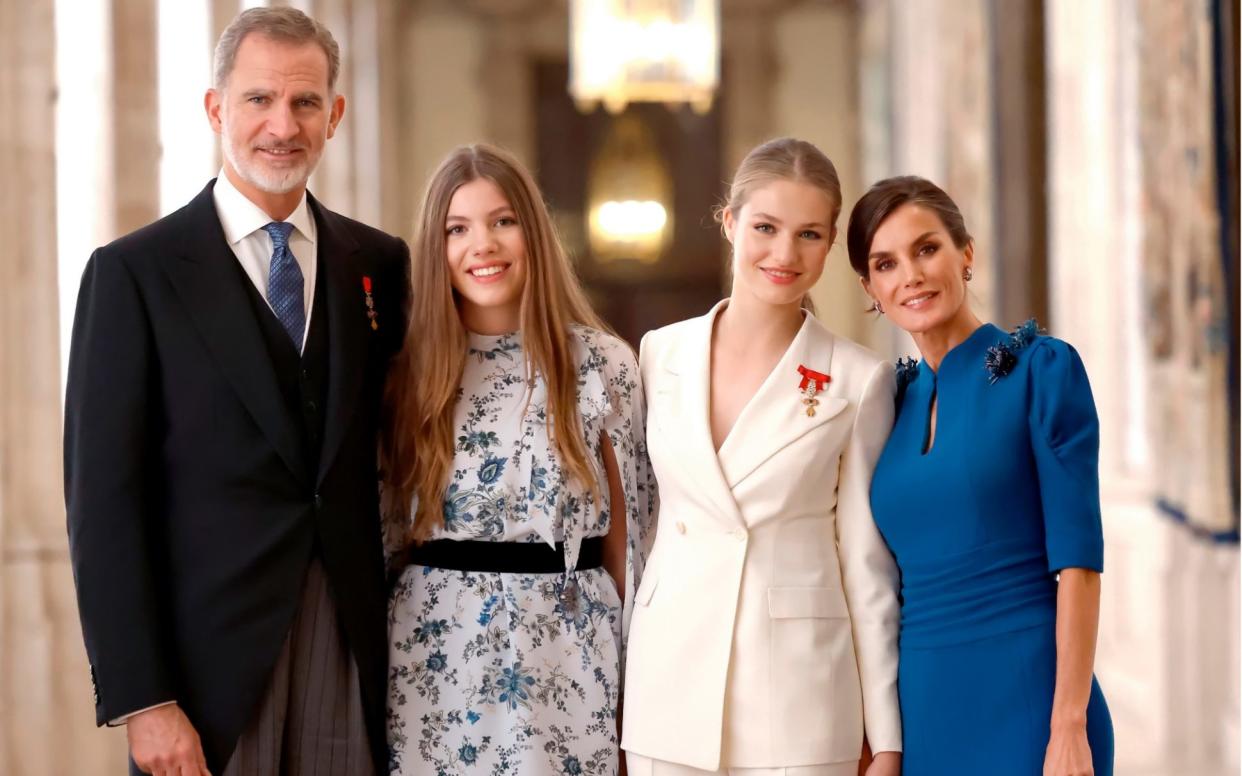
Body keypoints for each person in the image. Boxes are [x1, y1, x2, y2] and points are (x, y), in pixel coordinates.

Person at [64, 7, 409, 775]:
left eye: (305, 102)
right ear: (217, 108)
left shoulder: (380, 264)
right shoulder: (133, 276)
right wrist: (143, 701)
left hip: (348, 650)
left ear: (335, 115)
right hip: (203, 674)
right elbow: (103, 506)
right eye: (258, 99)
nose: (281, 124)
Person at [621, 137, 902, 776]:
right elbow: (638, 527)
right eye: (766, 228)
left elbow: (866, 566)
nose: (783, 253)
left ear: (831, 243)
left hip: (795, 693)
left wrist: (885, 737)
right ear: (730, 223)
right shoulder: (659, 354)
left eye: (808, 234)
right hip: (668, 687)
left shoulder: (857, 380)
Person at [381, 143, 654, 776]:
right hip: (435, 660)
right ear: (436, 247)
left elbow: (629, 548)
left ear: (532, 233)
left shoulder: (602, 365)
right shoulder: (405, 378)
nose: (483, 244)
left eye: (502, 221)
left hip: (569, 654)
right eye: (458, 228)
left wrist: (635, 705)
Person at [847, 175, 1114, 776]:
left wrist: (1067, 724)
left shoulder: (1041, 371)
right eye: (886, 264)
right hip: (925, 714)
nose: (910, 275)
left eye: (926, 248)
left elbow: (1079, 561)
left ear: (965, 253)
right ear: (870, 288)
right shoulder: (889, 401)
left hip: (1031, 707)